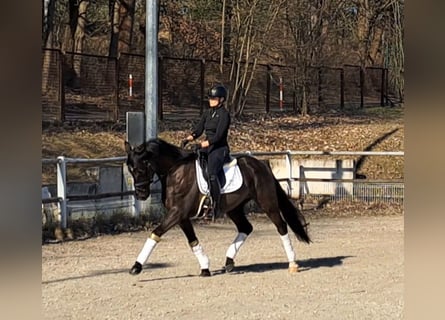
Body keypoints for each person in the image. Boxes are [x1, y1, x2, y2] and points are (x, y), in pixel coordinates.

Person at [182, 84, 231, 219]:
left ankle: (217, 206)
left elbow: (219, 136)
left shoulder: (224, 115)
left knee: (212, 173)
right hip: (206, 146)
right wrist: (188, 139)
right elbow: (198, 130)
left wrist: (201, 144)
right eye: (210, 98)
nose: (211, 100)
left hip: (219, 148)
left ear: (221, 100)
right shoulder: (207, 113)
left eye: (214, 98)